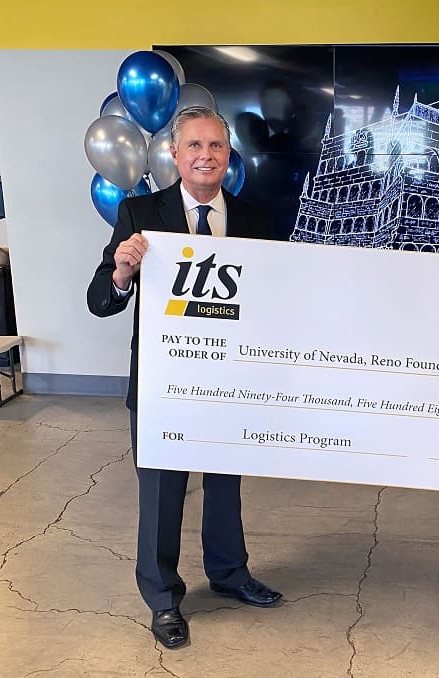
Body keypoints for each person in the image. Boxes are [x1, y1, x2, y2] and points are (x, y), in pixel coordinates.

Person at [87, 106, 281, 650]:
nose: (205, 156)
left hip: (230, 383)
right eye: (194, 146)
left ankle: (229, 574)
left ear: (228, 154)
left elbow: (276, 301)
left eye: (216, 146)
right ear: (175, 154)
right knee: (161, 494)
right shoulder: (139, 213)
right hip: (162, 386)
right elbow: (99, 298)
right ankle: (164, 599)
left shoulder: (257, 221)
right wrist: (123, 272)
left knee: (225, 486)